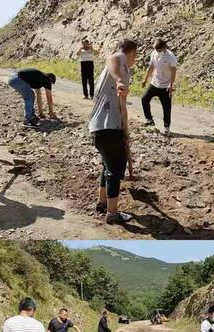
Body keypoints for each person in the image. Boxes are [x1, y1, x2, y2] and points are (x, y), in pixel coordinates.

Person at [89, 38, 138, 225]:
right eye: (135, 56)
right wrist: (119, 81)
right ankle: (113, 214)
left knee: (107, 167)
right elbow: (111, 58)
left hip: (102, 127)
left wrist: (125, 131)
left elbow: (122, 106)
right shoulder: (120, 60)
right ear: (132, 53)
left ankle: (102, 203)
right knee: (115, 171)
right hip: (108, 128)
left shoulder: (120, 70)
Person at [141, 38, 178, 135]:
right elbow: (151, 67)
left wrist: (171, 84)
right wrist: (145, 79)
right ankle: (149, 120)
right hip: (154, 83)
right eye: (155, 49)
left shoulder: (171, 57)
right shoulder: (153, 53)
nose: (157, 51)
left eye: (159, 50)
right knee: (144, 99)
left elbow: (173, 71)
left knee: (166, 108)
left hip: (165, 85)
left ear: (164, 47)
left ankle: (167, 128)